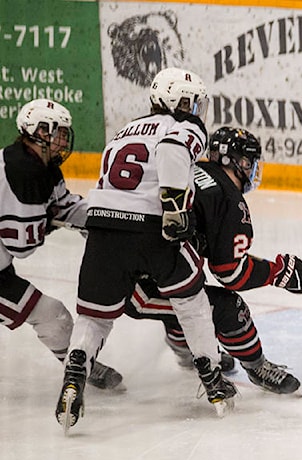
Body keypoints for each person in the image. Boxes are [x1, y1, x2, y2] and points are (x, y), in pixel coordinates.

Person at [55, 67, 238, 432]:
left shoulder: (123, 132)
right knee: (191, 300)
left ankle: (76, 369)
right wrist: (172, 203)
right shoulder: (184, 127)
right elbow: (172, 150)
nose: (194, 109)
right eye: (189, 101)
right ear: (172, 100)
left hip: (103, 225)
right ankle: (212, 378)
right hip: (151, 227)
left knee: (95, 317)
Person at [124, 126, 302, 394]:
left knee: (188, 276)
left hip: (115, 267)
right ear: (238, 162)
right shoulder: (228, 198)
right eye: (250, 162)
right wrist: (279, 273)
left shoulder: (189, 170)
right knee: (228, 307)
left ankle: (182, 343)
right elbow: (231, 274)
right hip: (138, 290)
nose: (253, 169)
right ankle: (257, 366)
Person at [1, 99, 123, 390]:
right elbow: (21, 246)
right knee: (51, 315)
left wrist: (107, 216)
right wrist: (47, 222)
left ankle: (78, 364)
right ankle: (80, 367)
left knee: (51, 314)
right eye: (56, 133)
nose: (62, 141)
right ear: (37, 131)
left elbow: (65, 207)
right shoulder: (22, 171)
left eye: (64, 134)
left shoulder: (42, 169)